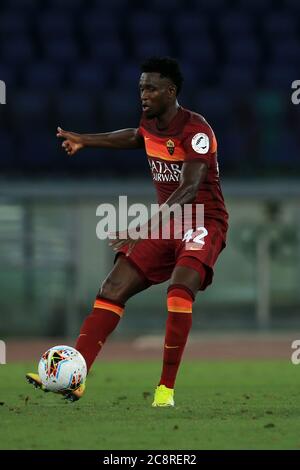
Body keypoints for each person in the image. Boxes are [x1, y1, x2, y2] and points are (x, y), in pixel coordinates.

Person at [26, 57, 228, 407]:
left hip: (202, 220)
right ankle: (76, 376)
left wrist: (145, 226)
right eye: (140, 88)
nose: (143, 94)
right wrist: (85, 140)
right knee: (112, 287)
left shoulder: (195, 132)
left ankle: (165, 390)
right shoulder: (149, 123)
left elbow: (189, 189)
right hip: (168, 222)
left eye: (150, 88)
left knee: (179, 292)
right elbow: (136, 137)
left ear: (171, 91)